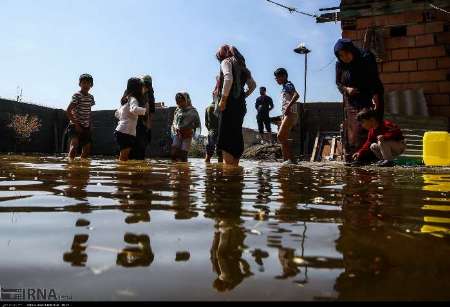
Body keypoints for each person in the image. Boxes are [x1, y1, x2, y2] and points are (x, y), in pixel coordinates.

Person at [334, 38, 385, 163]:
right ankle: (358, 161)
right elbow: (338, 83)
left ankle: (374, 162)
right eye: (340, 55)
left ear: (351, 50)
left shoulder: (366, 57)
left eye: (346, 53)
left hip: (370, 98)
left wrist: (376, 96)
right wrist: (347, 89)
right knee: (354, 134)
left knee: (370, 130)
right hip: (352, 102)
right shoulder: (340, 65)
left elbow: (374, 79)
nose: (344, 57)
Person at [215, 44, 256, 167]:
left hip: (229, 104)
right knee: (236, 134)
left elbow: (228, 79)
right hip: (240, 105)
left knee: (225, 137)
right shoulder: (243, 67)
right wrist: (243, 96)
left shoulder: (226, 62)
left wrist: (223, 100)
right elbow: (253, 85)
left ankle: (228, 175)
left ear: (223, 54)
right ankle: (235, 169)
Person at [114, 78, 147, 162]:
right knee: (124, 156)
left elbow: (117, 113)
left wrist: (124, 118)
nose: (143, 89)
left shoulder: (127, 99)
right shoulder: (133, 99)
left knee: (124, 156)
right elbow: (134, 109)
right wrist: (145, 110)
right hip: (125, 132)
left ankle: (121, 171)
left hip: (123, 131)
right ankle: (121, 173)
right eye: (142, 87)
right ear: (138, 88)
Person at [66, 74, 95, 161]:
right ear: (80, 84)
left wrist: (90, 124)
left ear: (91, 85)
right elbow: (68, 111)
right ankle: (71, 166)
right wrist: (76, 124)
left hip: (86, 126)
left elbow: (89, 111)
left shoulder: (91, 97)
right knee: (74, 146)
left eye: (88, 83)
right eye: (84, 83)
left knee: (86, 149)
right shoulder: (77, 95)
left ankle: (82, 167)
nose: (86, 85)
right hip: (75, 125)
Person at [274, 68, 300, 165]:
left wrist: (288, 107)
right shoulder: (285, 87)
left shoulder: (288, 85)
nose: (276, 80)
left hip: (291, 113)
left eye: (277, 77)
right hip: (287, 114)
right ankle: (287, 160)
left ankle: (291, 160)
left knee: (280, 136)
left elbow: (296, 95)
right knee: (283, 138)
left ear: (283, 76)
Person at [129, 75, 156, 160]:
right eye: (144, 85)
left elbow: (151, 110)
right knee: (130, 149)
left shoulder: (150, 93)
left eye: (148, 85)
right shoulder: (132, 91)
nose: (146, 87)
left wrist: (149, 125)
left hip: (142, 123)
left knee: (141, 149)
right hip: (131, 122)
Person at [171, 92, 201, 162]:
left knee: (183, 155)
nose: (179, 103)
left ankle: (184, 171)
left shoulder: (193, 111)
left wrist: (195, 136)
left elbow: (197, 125)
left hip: (187, 134)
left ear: (186, 100)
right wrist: (175, 129)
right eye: (178, 102)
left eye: (181, 101)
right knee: (174, 152)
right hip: (177, 133)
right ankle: (174, 169)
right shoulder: (177, 110)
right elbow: (174, 122)